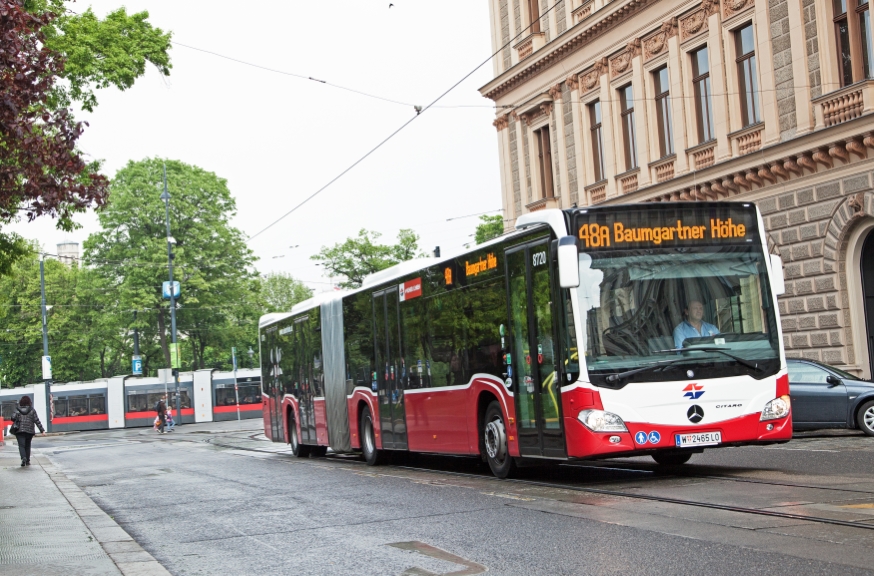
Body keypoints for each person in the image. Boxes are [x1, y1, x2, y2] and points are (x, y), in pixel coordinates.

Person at [11, 396, 45, 467]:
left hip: (19, 430)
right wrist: (42, 430)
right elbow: (37, 421)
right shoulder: (32, 410)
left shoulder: (17, 409)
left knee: (21, 446)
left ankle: (23, 458)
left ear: (21, 402)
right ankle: (28, 460)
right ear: (29, 402)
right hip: (29, 431)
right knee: (27, 445)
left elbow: (12, 418)